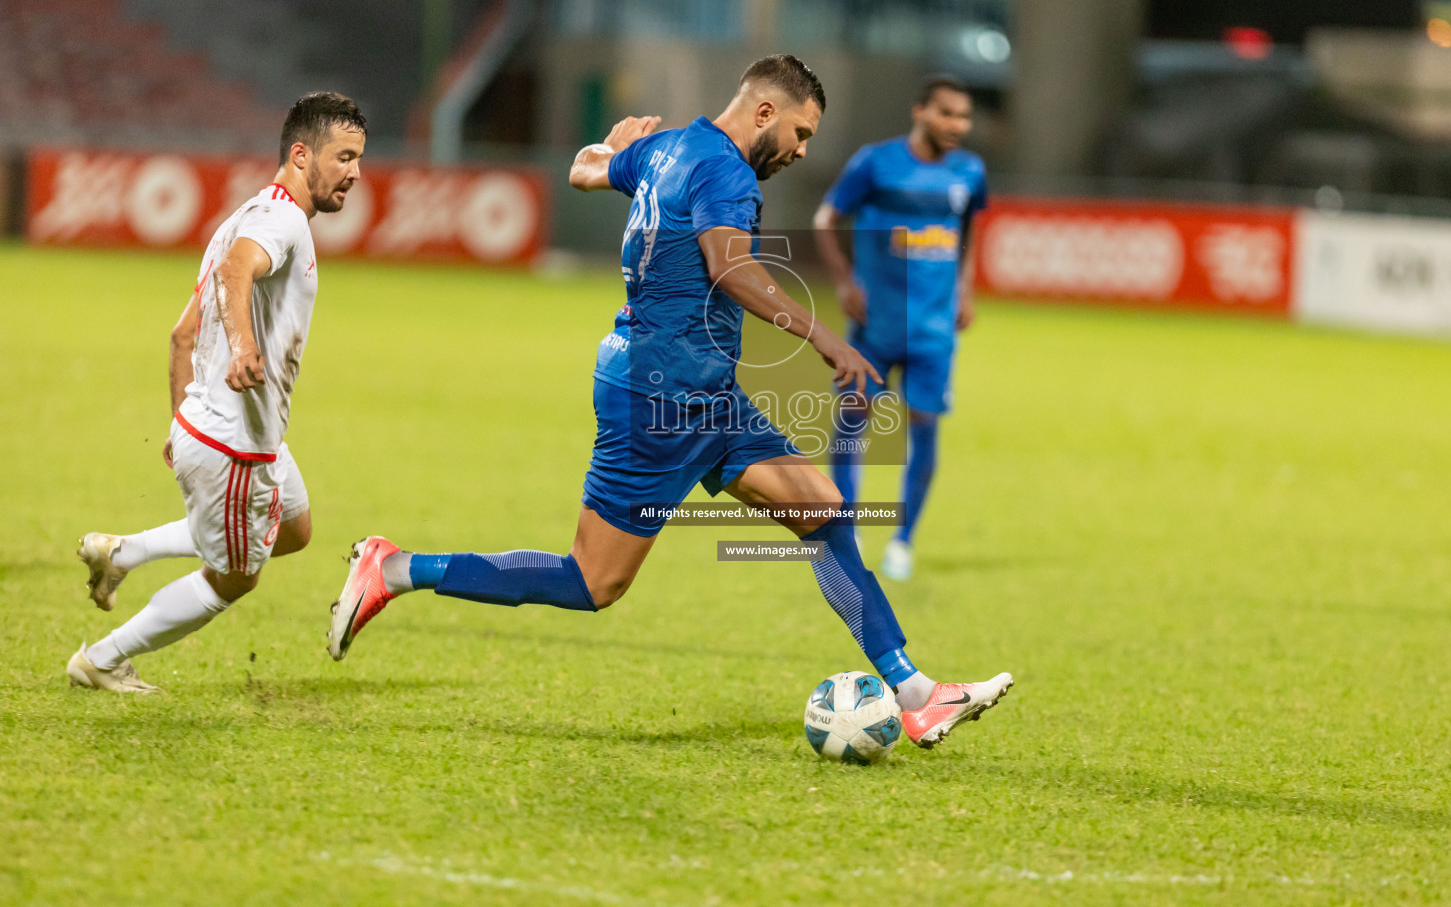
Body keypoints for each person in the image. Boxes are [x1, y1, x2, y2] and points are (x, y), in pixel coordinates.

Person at [326, 55, 1010, 748]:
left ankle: (916, 696)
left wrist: (613, 148)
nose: (803, 151)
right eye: (801, 133)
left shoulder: (668, 146)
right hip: (656, 399)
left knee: (825, 513)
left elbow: (584, 172)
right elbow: (731, 266)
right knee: (592, 581)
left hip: (705, 393)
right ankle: (394, 568)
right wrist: (828, 341)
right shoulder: (726, 171)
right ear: (765, 112)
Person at [67, 92, 367, 694]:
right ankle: (100, 659)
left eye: (359, 159)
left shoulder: (243, 216)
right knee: (233, 577)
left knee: (293, 527)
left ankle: (121, 551)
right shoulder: (279, 222)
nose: (355, 172)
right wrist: (244, 348)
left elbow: (182, 335)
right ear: (301, 154)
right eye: (344, 157)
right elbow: (236, 274)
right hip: (236, 444)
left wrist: (180, 428)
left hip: (225, 430)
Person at [812, 76, 987, 582]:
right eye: (947, 114)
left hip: (934, 328)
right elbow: (826, 219)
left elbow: (972, 227)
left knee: (925, 425)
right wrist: (845, 283)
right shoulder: (875, 162)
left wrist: (966, 288)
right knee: (852, 421)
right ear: (920, 112)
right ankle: (848, 530)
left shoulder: (969, 171)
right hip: (876, 322)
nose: (958, 125)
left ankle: (903, 541)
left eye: (964, 116)